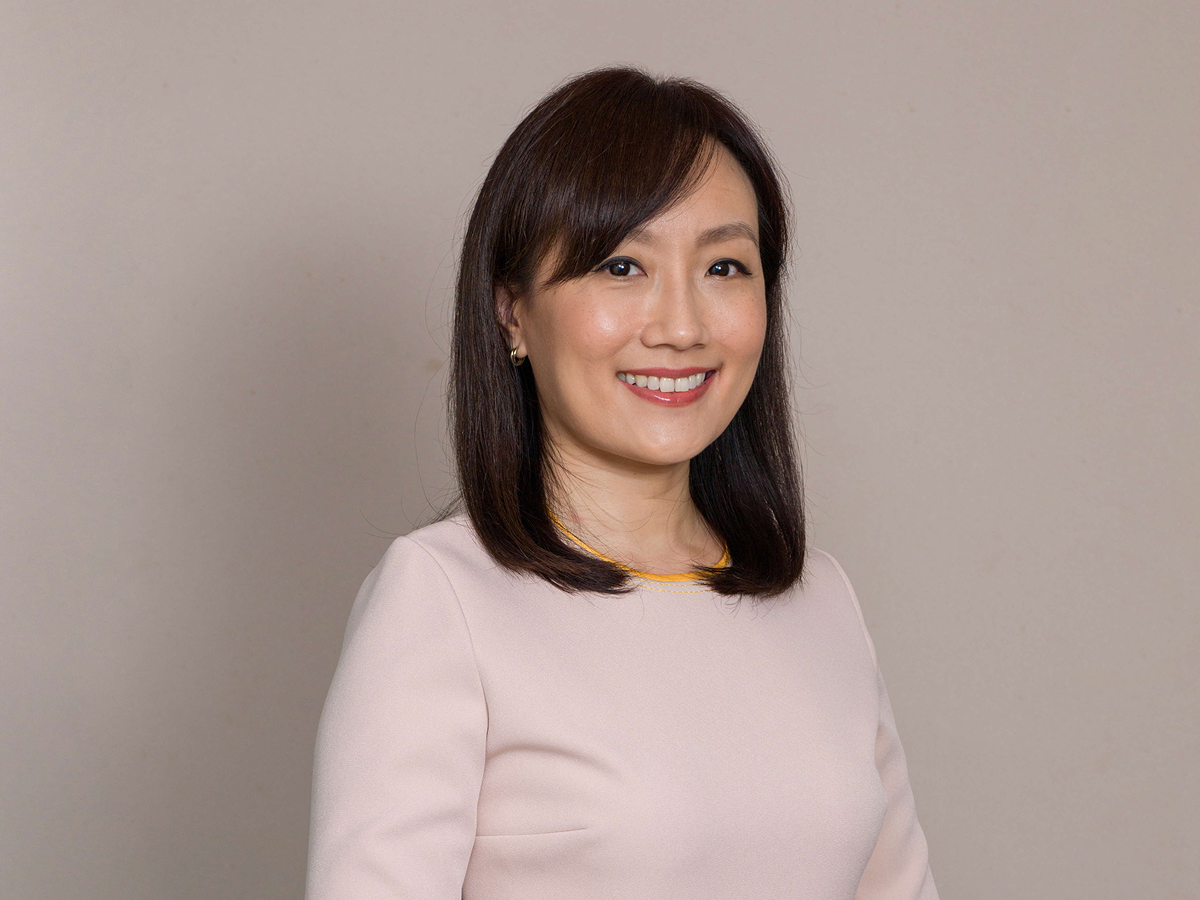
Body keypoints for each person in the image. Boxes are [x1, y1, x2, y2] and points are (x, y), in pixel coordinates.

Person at [305, 66, 939, 899]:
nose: (681, 326)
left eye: (725, 269)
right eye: (620, 266)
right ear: (512, 312)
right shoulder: (443, 600)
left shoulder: (821, 599)